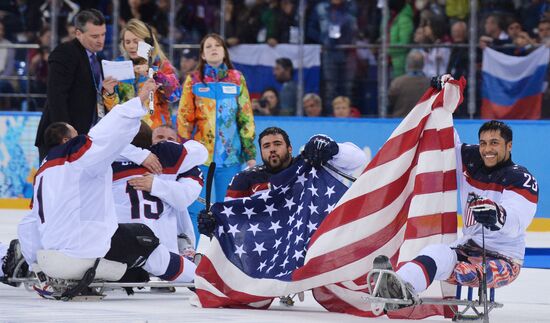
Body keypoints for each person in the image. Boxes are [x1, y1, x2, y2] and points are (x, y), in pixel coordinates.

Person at [372, 78, 538, 311]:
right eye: (483, 143)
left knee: (460, 269)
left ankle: (403, 283)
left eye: (494, 143)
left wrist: (498, 216)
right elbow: (444, 136)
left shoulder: (520, 178)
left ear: (509, 146)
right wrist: (441, 97)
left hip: (504, 260)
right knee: (435, 252)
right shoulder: (472, 159)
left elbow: (518, 220)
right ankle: (399, 285)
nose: (487, 149)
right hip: (468, 248)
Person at [19, 80, 196, 291]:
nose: (84, 137)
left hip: (53, 249)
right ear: (69, 141)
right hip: (84, 246)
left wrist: (36, 265)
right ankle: (201, 278)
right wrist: (139, 101)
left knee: (127, 239)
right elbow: (106, 135)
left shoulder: (43, 172)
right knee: (145, 242)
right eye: (78, 134)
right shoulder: (81, 156)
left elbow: (28, 225)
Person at [177, 33, 257, 240]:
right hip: (200, 157)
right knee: (196, 207)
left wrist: (249, 153)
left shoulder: (237, 78)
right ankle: (192, 253)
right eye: (208, 46)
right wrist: (183, 153)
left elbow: (246, 117)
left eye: (218, 45)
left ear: (224, 51)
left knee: (228, 207)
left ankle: (224, 256)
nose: (213, 49)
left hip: (230, 157)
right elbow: (185, 118)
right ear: (202, 54)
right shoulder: (193, 80)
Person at [112, 123, 206, 258]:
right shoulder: (164, 156)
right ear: (149, 140)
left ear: (178, 143)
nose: (165, 141)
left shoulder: (185, 166)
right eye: (160, 137)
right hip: (133, 234)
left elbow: (183, 198)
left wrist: (156, 185)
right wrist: (138, 155)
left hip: (164, 238)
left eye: (171, 139)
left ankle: (182, 243)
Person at [223, 126, 367, 203]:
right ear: (261, 152)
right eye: (266, 146)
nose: (272, 149)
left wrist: (334, 149)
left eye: (277, 144)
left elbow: (359, 159)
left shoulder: (312, 164)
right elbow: (231, 217)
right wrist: (213, 222)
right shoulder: (246, 179)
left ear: (290, 148)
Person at [35, 9, 106, 161]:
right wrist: (65, 135)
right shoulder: (65, 52)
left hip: (84, 139)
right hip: (62, 139)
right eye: (95, 36)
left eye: (103, 34)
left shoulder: (98, 59)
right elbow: (56, 96)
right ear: (78, 33)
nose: (101, 40)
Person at [102, 18, 180, 129]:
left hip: (155, 132)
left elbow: (175, 95)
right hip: (126, 131)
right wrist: (109, 93)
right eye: (127, 42)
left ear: (148, 42)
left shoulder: (162, 65)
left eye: (136, 41)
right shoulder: (117, 66)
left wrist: (153, 74)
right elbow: (114, 110)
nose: (131, 46)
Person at [388, 50, 431, 117]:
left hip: (401, 120)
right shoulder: (430, 83)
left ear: (407, 64)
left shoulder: (397, 82)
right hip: (423, 122)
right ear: (423, 64)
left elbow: (390, 101)